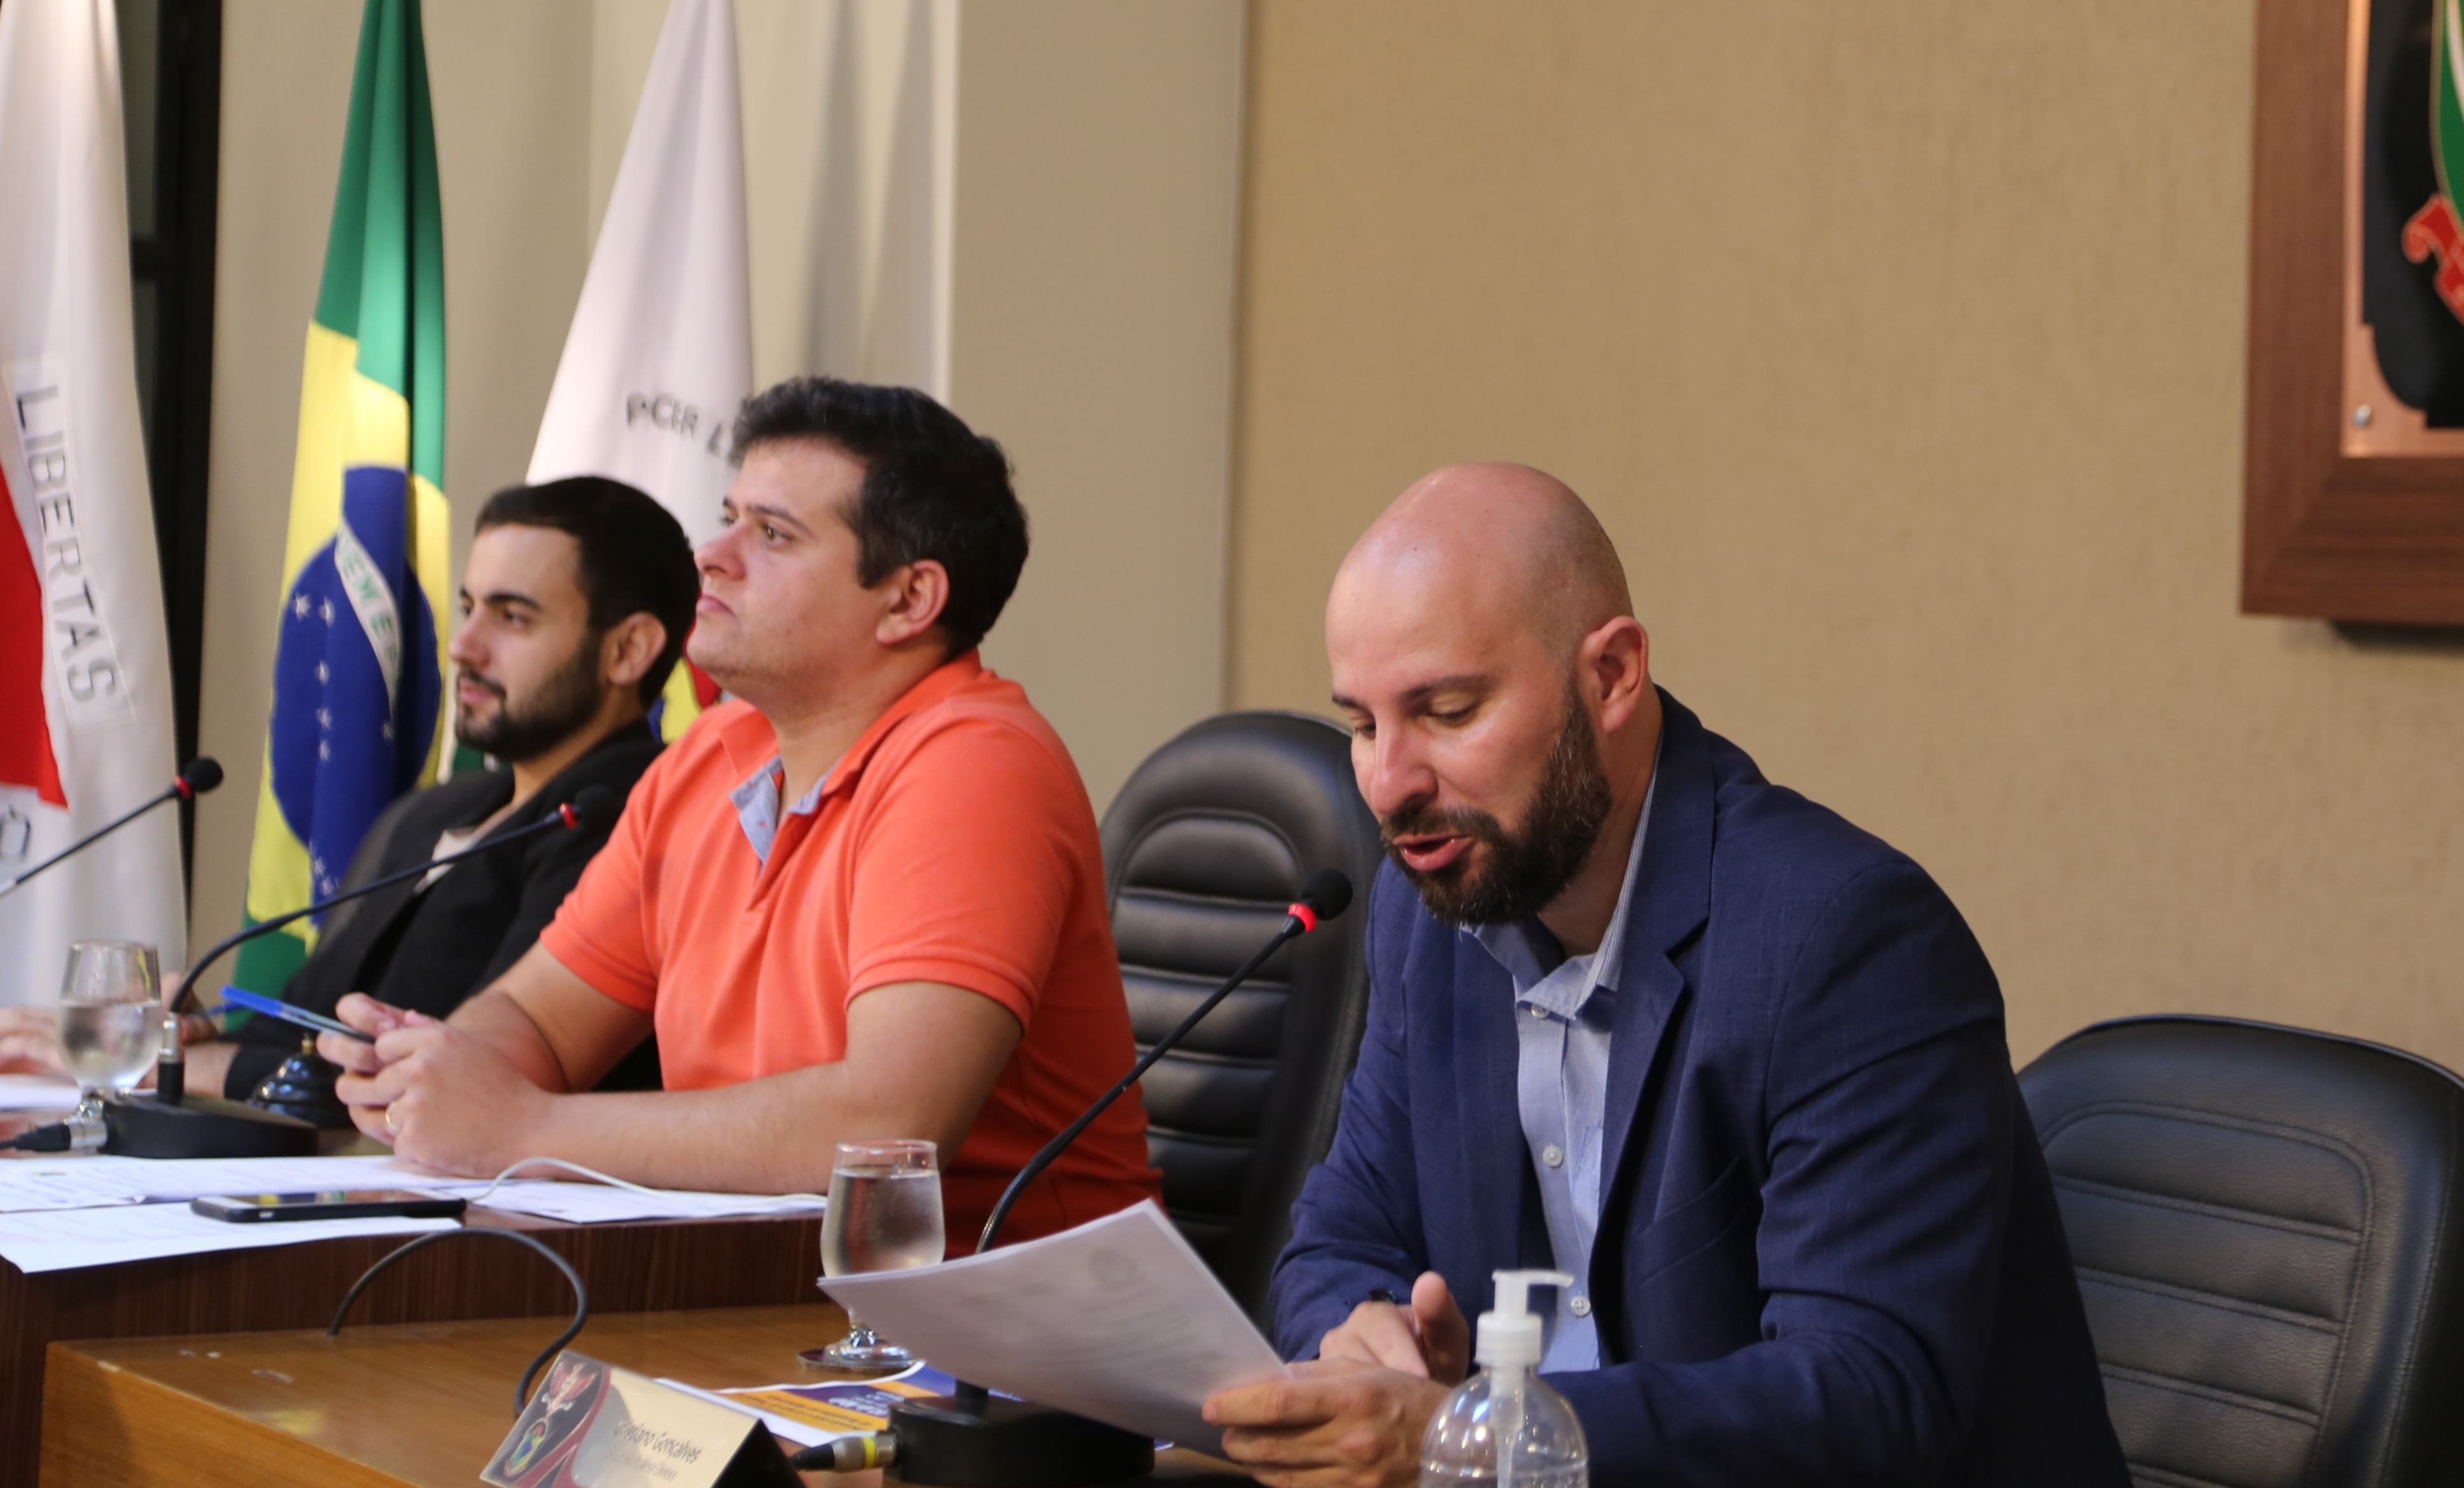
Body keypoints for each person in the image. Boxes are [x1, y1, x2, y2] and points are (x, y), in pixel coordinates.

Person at [1203, 465, 2125, 1486]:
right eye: (1364, 725)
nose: (1389, 783)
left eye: (1449, 711)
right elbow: (1336, 1237)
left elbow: (1866, 1398)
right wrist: (1362, 1336)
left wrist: (1478, 1436)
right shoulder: (1427, 912)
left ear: (1612, 675)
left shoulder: (1848, 937)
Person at [318, 377, 1161, 1250]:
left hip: (1007, 1312)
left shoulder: (975, 764)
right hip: (765, 1280)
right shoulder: (709, 756)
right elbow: (538, 1022)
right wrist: (439, 1075)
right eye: (728, 518)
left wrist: (521, 1128)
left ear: (909, 600)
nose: (711, 555)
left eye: (772, 534)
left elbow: (887, 1128)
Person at [0, 477, 697, 1104]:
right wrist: (190, 1034)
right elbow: (302, 1023)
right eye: (468, 607)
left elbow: (453, 1078)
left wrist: (159, 1064)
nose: (464, 645)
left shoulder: (630, 818)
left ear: (628, 650)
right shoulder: (436, 811)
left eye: (513, 617)